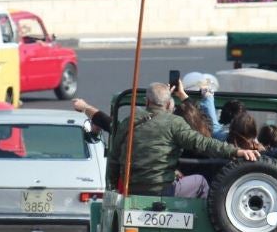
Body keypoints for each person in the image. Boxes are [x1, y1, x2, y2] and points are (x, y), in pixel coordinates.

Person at [105, 82, 258, 199]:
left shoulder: (128, 121)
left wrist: (111, 188)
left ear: (146, 102)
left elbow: (114, 158)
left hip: (131, 189)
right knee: (201, 182)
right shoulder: (174, 123)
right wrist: (236, 151)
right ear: (168, 104)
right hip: (163, 190)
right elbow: (203, 143)